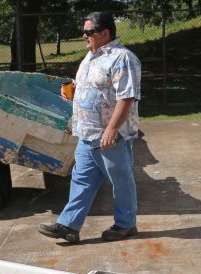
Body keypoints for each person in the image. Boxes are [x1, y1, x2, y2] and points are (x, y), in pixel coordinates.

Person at [37, 12, 141, 243]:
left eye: (89, 32)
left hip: (110, 136)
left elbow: (127, 98)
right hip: (86, 134)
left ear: (105, 33)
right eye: (83, 32)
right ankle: (68, 226)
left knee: (120, 181)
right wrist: (73, 91)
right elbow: (93, 87)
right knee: (81, 180)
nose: (84, 36)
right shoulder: (90, 56)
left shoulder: (123, 58)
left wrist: (112, 130)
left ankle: (126, 225)